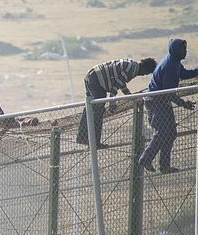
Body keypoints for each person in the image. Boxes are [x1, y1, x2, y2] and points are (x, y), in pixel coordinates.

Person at [138, 39, 198, 173]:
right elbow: (168, 92)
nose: (185, 51)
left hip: (162, 102)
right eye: (183, 49)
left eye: (185, 49)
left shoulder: (174, 62)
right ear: (176, 50)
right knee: (163, 131)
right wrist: (183, 104)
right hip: (156, 102)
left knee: (170, 133)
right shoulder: (170, 65)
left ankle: (164, 166)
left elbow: (184, 74)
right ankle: (145, 158)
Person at [76, 57, 158, 149]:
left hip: (91, 76)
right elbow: (115, 87)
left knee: (89, 108)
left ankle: (84, 138)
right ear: (145, 68)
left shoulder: (132, 65)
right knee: (98, 110)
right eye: (146, 73)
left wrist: (130, 96)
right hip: (96, 79)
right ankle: (94, 142)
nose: (143, 75)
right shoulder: (131, 69)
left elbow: (121, 84)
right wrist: (112, 104)